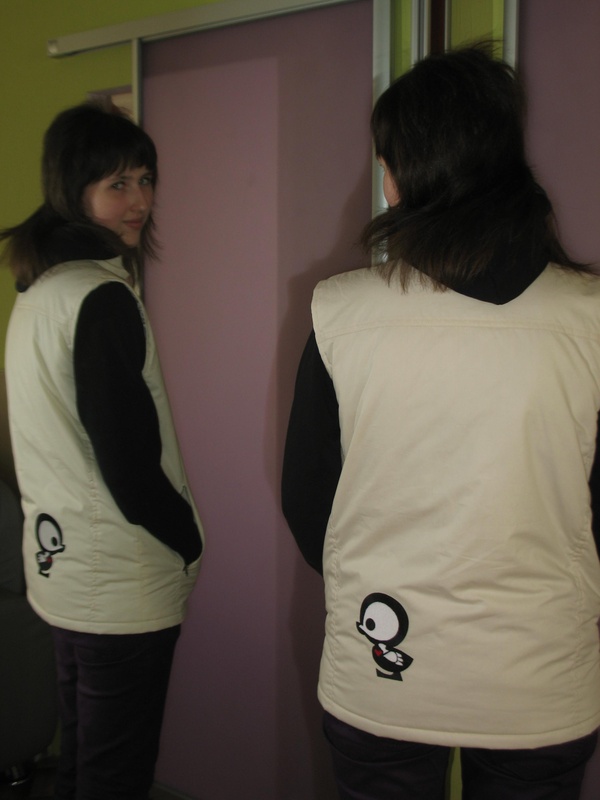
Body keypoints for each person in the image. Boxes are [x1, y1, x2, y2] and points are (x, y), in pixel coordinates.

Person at [281, 44, 600, 800]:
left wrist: (381, 593)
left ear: (402, 175)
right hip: (540, 678)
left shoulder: (340, 313)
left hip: (383, 670)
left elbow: (308, 502)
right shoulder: (589, 317)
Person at [1, 102, 204, 800]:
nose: (140, 201)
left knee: (83, 761)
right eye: (118, 184)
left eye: (146, 179)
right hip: (117, 582)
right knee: (115, 775)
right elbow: (129, 465)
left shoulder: (38, 290)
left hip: (60, 569)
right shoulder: (99, 296)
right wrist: (187, 542)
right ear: (73, 190)